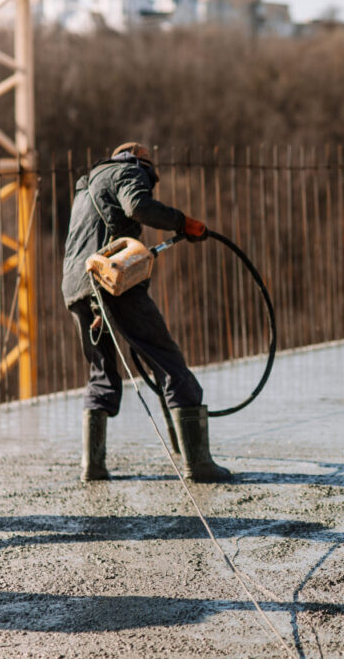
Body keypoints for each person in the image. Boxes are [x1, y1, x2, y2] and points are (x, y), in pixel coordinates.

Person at [61, 142, 231, 483]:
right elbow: (137, 206)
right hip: (112, 279)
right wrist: (182, 222)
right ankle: (198, 464)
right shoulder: (128, 170)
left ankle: (93, 467)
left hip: (76, 285)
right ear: (142, 164)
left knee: (102, 372)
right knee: (167, 360)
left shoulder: (87, 186)